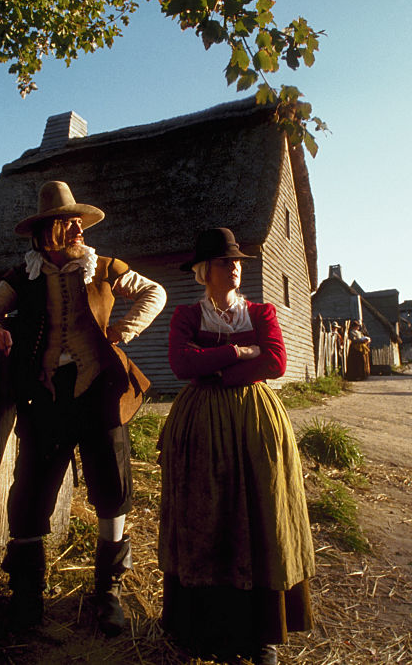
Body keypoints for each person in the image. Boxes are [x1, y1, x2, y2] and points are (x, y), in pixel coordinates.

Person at [0, 180, 166, 635]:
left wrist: (126, 329)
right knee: (31, 490)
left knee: (111, 486)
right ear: (47, 231)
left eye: (79, 221)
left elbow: (154, 292)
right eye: (68, 221)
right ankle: (26, 596)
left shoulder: (104, 267)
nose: (78, 227)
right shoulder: (25, 275)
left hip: (100, 388)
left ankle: (108, 592)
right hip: (45, 394)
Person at [157, 228, 314, 665]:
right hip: (201, 424)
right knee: (206, 515)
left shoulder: (260, 312)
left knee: (262, 509)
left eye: (238, 261)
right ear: (205, 271)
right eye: (226, 262)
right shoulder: (186, 316)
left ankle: (260, 633)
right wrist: (237, 354)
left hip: (255, 420)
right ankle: (205, 628)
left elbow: (276, 361)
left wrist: (220, 372)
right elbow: (181, 363)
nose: (236, 266)